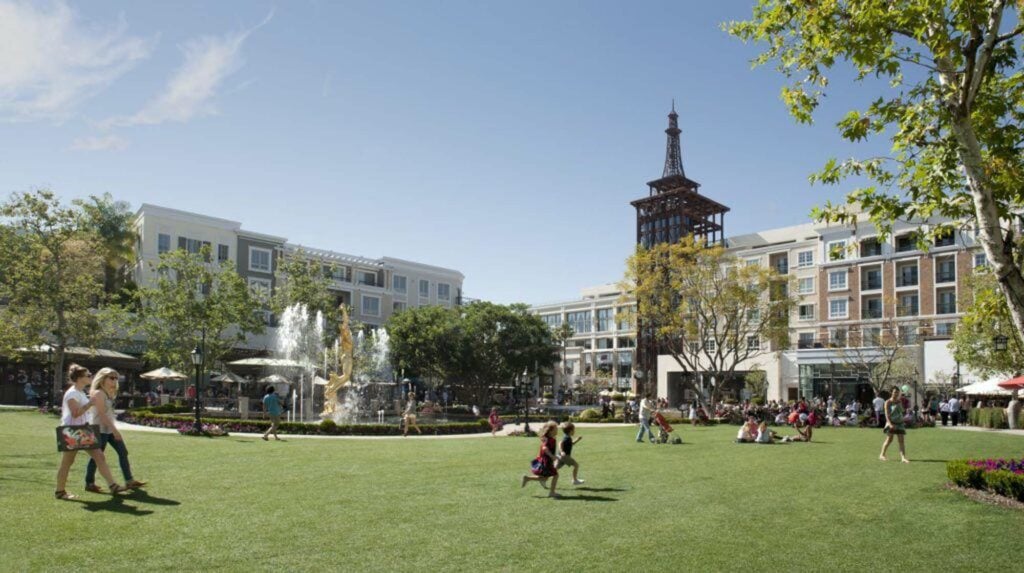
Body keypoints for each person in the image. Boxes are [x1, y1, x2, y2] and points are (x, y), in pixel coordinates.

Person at [55, 364, 126, 500]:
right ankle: (60, 492)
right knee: (67, 462)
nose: (91, 377)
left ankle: (113, 486)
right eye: (88, 375)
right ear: (79, 378)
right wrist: (90, 404)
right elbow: (75, 413)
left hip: (83, 430)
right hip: (72, 431)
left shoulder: (80, 392)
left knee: (99, 456)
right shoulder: (73, 393)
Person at [85, 368, 146, 492]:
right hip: (99, 430)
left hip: (108, 429)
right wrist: (115, 430)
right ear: (103, 378)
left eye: (116, 378)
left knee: (123, 452)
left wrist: (113, 428)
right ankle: (89, 483)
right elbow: (102, 415)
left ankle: (129, 481)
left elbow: (108, 414)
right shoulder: (98, 393)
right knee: (97, 457)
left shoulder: (110, 393)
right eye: (111, 378)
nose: (114, 380)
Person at [521, 420, 561, 497]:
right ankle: (552, 492)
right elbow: (544, 448)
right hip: (547, 461)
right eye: (556, 429)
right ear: (550, 431)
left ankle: (527, 478)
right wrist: (552, 456)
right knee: (555, 475)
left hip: (546, 461)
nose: (557, 431)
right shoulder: (550, 439)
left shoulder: (549, 438)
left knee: (545, 478)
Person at [880, 387, 910, 463]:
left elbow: (901, 411)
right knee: (889, 439)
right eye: (895, 392)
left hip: (899, 423)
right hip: (891, 423)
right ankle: (882, 455)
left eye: (897, 392)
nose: (896, 393)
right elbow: (887, 414)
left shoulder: (899, 401)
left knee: (901, 441)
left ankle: (903, 458)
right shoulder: (888, 402)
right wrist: (889, 424)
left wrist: (904, 414)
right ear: (891, 392)